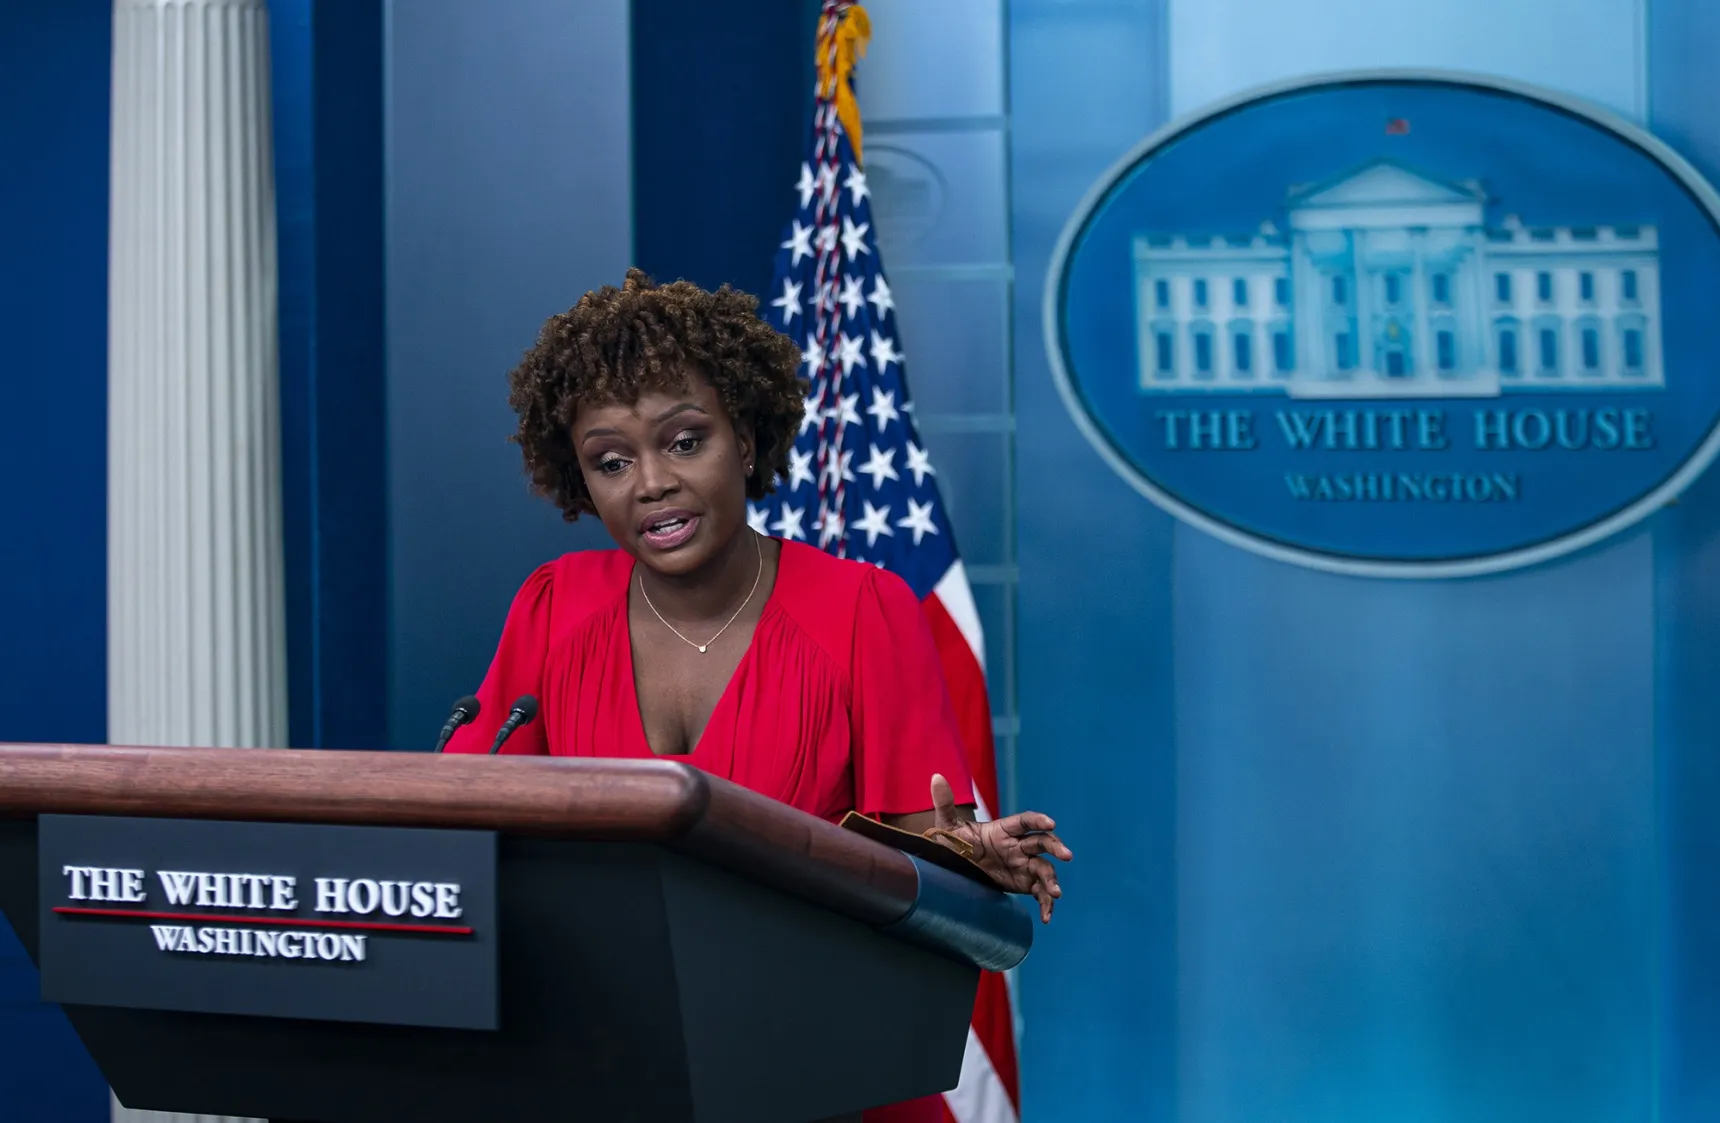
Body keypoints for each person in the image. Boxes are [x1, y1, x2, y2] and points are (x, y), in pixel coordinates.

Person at [445, 268, 1072, 1121]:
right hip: (616, 1069)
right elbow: (469, 819)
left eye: (684, 440)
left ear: (746, 436)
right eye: (611, 460)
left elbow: (926, 865)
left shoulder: (862, 609)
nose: (651, 482)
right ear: (579, 478)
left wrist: (967, 859)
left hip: (822, 1076)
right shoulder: (554, 604)